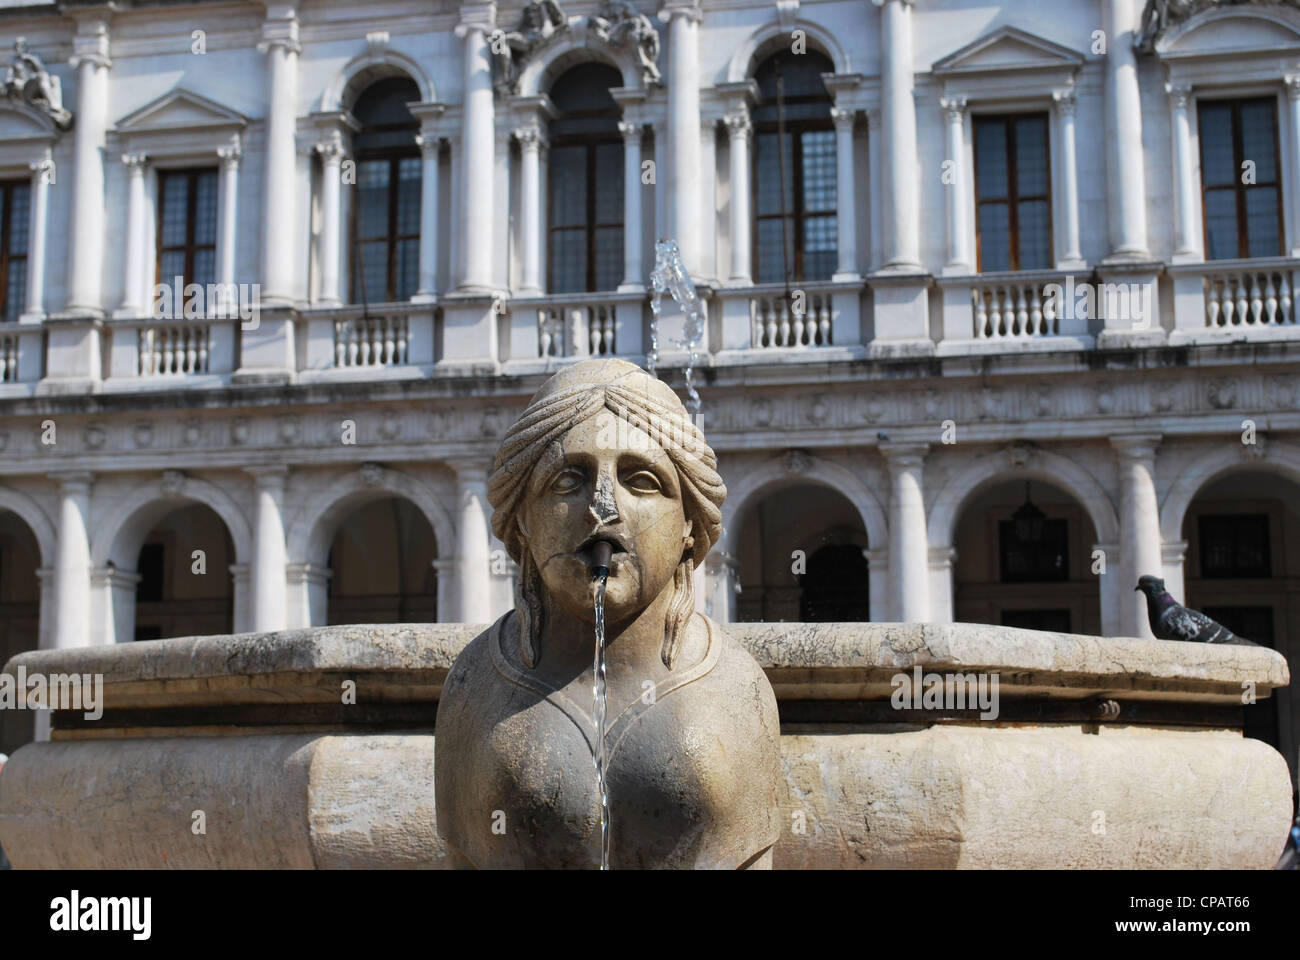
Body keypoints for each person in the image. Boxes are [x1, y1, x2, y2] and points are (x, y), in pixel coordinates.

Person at [434, 358, 781, 869]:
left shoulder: (736, 686)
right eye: (567, 481)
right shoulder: (473, 684)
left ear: (690, 521)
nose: (602, 506)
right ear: (522, 520)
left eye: (640, 480)